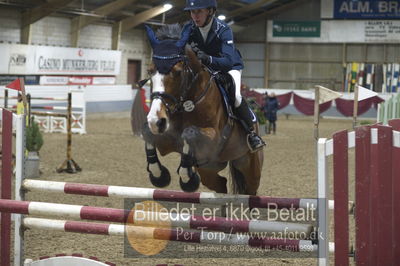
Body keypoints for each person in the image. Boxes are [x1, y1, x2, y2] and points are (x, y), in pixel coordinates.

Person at [184, 0, 265, 152]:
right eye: (192, 12)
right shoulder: (188, 28)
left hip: (229, 67)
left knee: (235, 96)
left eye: (199, 11)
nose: (195, 16)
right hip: (204, 68)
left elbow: (227, 61)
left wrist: (208, 58)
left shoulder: (223, 29)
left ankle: (251, 133)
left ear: (210, 11)